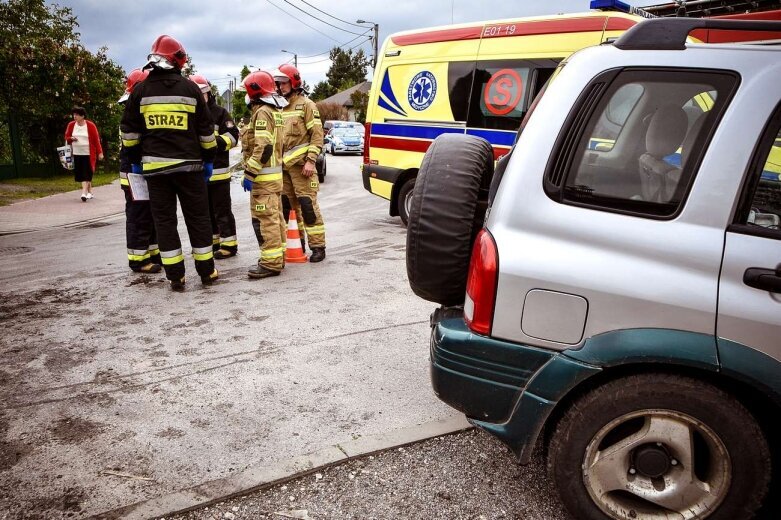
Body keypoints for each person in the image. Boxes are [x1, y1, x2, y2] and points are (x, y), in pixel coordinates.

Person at [120, 35, 218, 291]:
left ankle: (176, 275)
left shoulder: (140, 91)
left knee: (164, 222)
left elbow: (129, 133)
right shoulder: (190, 89)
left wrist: (135, 160)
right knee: (198, 218)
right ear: (178, 61)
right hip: (190, 169)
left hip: (155, 171)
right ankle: (207, 271)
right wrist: (208, 159)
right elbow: (206, 133)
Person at [272, 64, 325, 262]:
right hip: (284, 168)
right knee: (289, 209)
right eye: (278, 83)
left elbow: (317, 136)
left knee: (308, 207)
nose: (280, 86)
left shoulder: (307, 105)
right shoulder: (277, 107)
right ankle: (297, 244)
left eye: (284, 82)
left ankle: (318, 246)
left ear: (294, 82)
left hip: (303, 167)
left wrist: (311, 161)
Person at [242, 70, 288, 279]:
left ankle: (270, 263)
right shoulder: (274, 111)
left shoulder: (262, 112)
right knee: (276, 219)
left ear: (254, 92)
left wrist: (250, 173)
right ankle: (279, 257)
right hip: (274, 178)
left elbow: (264, 148)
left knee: (265, 220)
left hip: (263, 180)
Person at [191, 74, 240, 259]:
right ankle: (213, 244)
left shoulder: (220, 113)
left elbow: (233, 137)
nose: (200, 97)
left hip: (218, 173)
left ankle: (229, 245)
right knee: (205, 213)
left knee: (222, 211)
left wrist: (213, 142)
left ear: (208, 93)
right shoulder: (190, 114)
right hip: (197, 173)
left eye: (202, 93)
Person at [118, 68, 161, 274]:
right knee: (138, 217)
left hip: (142, 170)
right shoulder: (132, 109)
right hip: (134, 173)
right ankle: (138, 259)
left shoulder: (139, 106)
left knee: (150, 215)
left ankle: (152, 253)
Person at [65, 106, 104, 202]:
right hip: (77, 153)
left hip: (88, 154)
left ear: (82, 116)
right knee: (83, 173)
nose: (75, 116)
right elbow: (67, 137)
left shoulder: (90, 125)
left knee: (86, 173)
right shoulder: (71, 125)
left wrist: (100, 152)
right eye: (74, 115)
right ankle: (90, 192)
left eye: (77, 115)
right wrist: (71, 138)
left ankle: (84, 193)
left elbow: (96, 140)